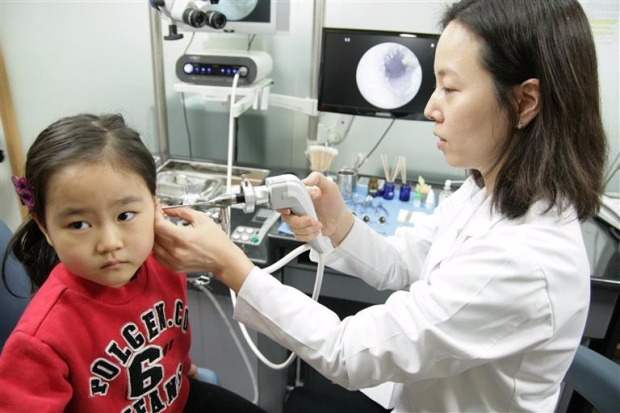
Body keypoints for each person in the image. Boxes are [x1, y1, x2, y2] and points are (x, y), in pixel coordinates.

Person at [153, 0, 608, 411]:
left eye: (450, 89)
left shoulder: (522, 259)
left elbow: (347, 352)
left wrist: (230, 265)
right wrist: (341, 225)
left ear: (524, 101)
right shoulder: (488, 188)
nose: (431, 107)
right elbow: (409, 263)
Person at [0, 113, 265, 413]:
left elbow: (167, 335)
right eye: (79, 225)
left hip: (178, 397)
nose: (110, 243)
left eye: (125, 215)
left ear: (154, 204)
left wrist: (183, 366)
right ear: (44, 226)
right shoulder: (41, 339)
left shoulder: (164, 263)